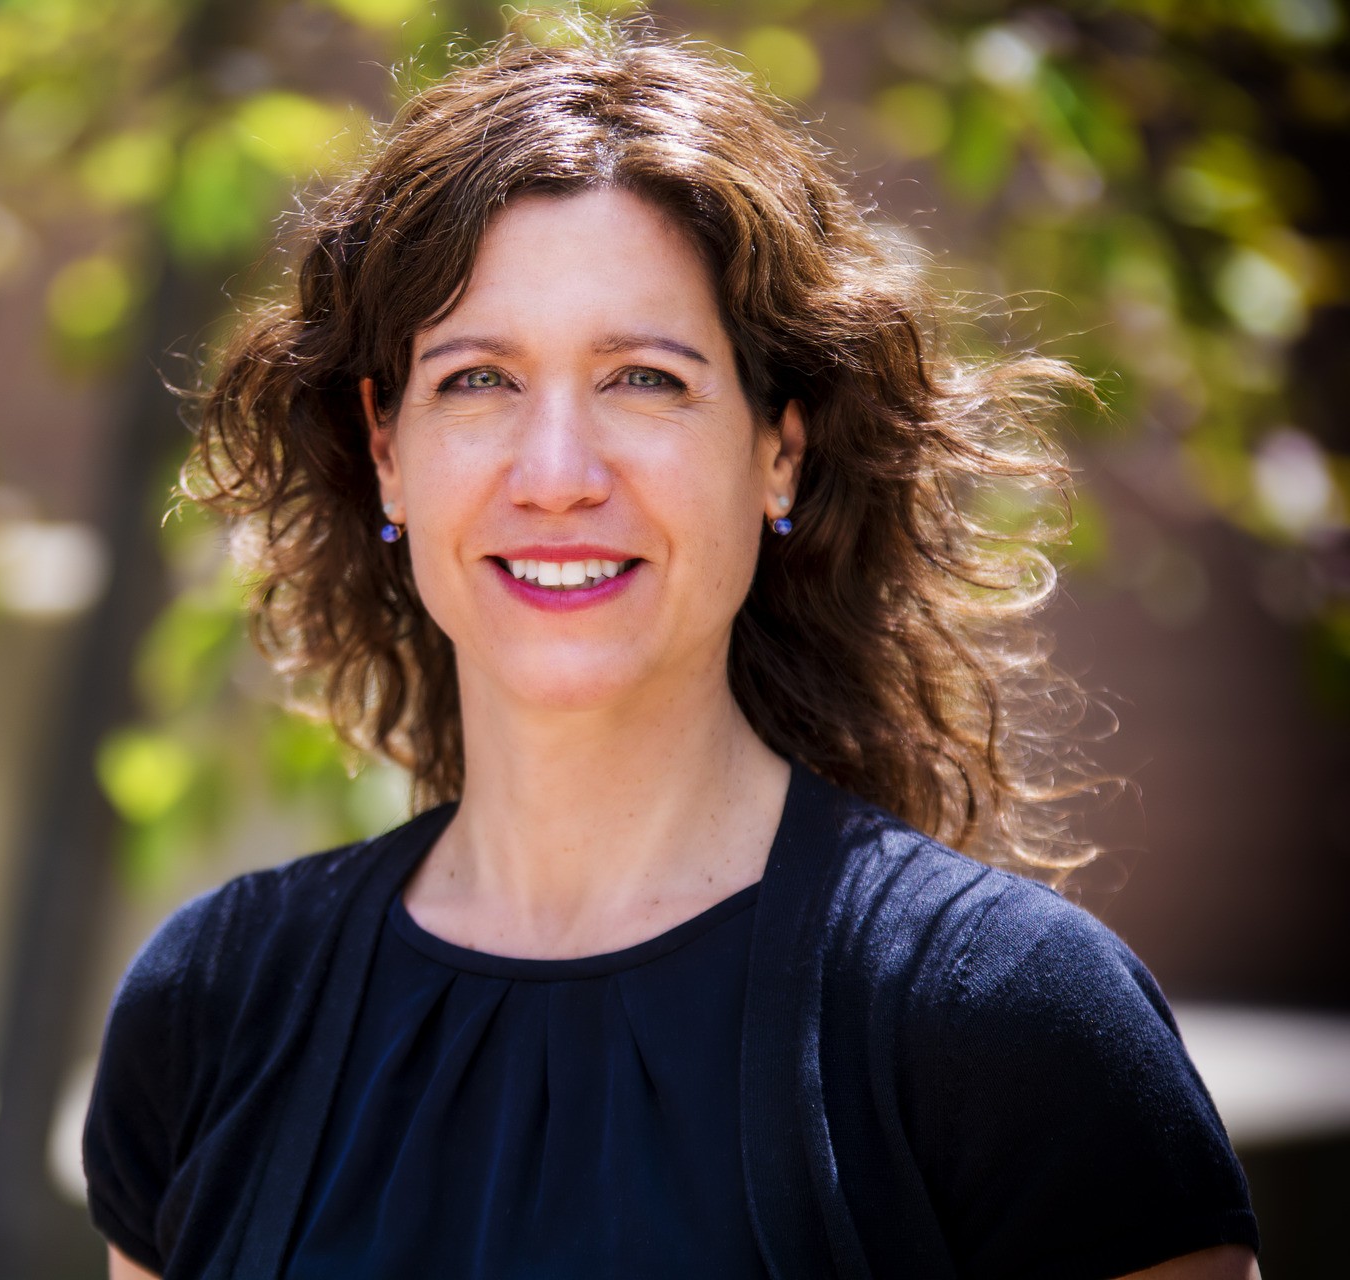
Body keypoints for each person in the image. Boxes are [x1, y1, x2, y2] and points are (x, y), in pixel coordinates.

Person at [81, 20, 1261, 1280]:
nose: (556, 475)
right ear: (386, 448)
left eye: (644, 378)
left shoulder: (1009, 1024)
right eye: (478, 379)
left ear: (780, 448)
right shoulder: (211, 1011)